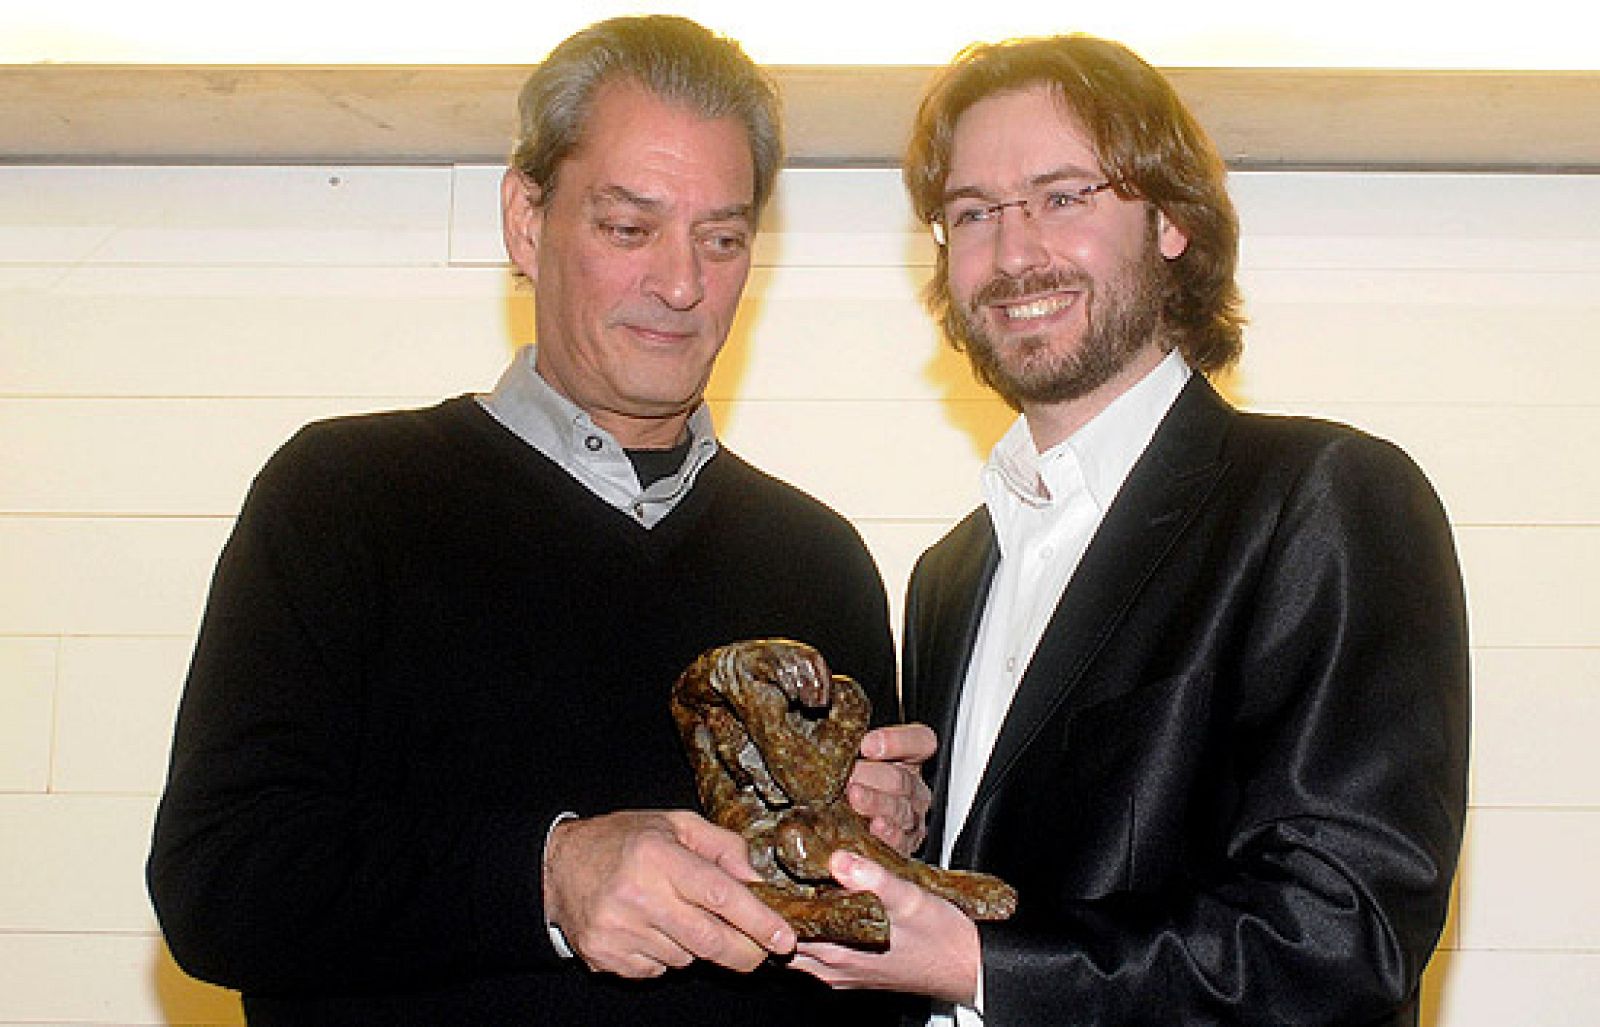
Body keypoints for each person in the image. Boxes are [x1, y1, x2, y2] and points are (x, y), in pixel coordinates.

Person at [147, 15, 930, 1024]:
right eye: (629, 228)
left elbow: (868, 989)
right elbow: (219, 881)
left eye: (722, 238)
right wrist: (548, 877)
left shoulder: (820, 560)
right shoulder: (342, 497)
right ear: (526, 218)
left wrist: (877, 864)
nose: (681, 284)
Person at [791, 33, 1469, 1026]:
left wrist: (980, 963)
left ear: (1172, 221)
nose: (1014, 253)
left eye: (1063, 196)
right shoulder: (950, 575)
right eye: (973, 212)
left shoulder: (1323, 498)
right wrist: (903, 841)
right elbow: (1012, 878)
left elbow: (1342, 933)